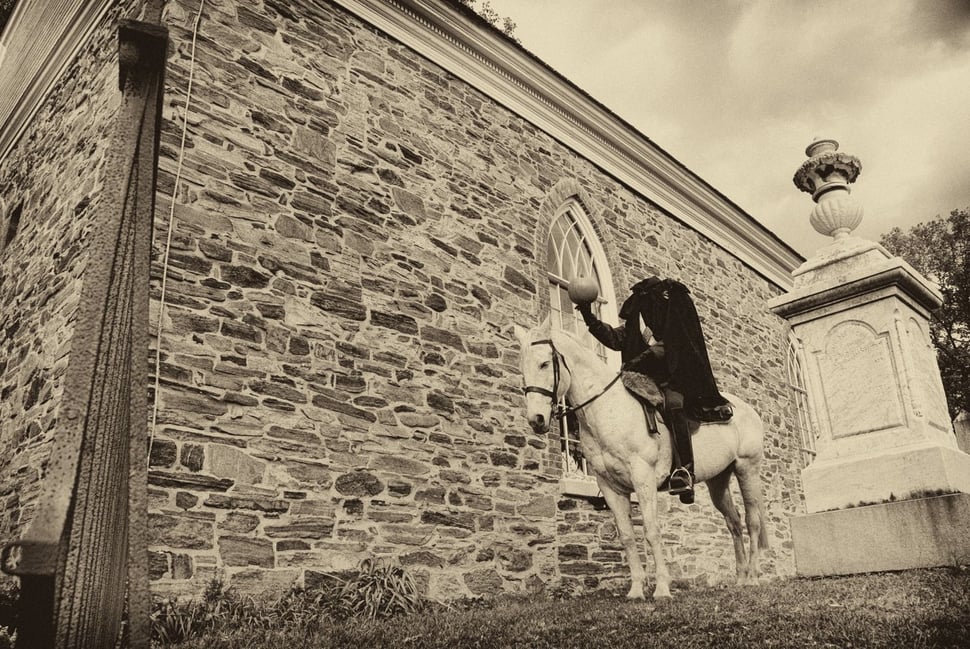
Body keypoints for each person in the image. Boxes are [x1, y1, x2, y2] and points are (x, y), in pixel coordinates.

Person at [575, 276, 731, 504]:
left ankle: (684, 471)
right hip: (640, 378)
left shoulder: (671, 319)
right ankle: (613, 474)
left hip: (670, 379)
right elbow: (617, 339)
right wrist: (589, 317)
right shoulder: (636, 319)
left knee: (674, 405)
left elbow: (663, 349)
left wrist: (635, 362)